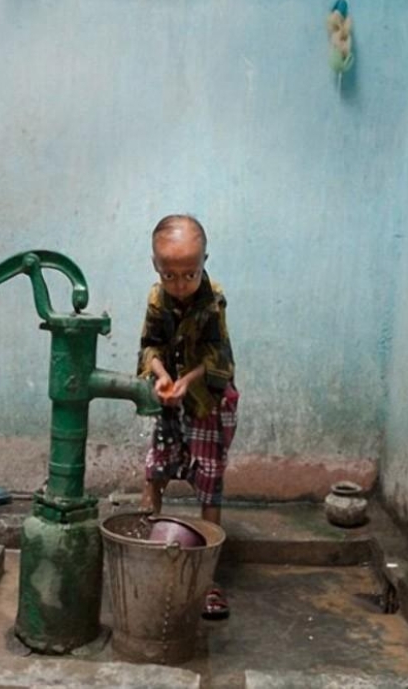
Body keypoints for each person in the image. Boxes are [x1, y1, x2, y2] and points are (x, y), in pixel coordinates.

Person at [137, 214, 239, 620]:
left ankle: (207, 577)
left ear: (205, 262)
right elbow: (150, 348)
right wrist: (163, 378)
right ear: (155, 267)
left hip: (209, 401)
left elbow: (219, 361)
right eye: (169, 274)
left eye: (189, 274)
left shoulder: (213, 298)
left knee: (209, 480)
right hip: (172, 397)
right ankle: (146, 551)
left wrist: (189, 379)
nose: (179, 284)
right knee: (156, 467)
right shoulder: (157, 299)